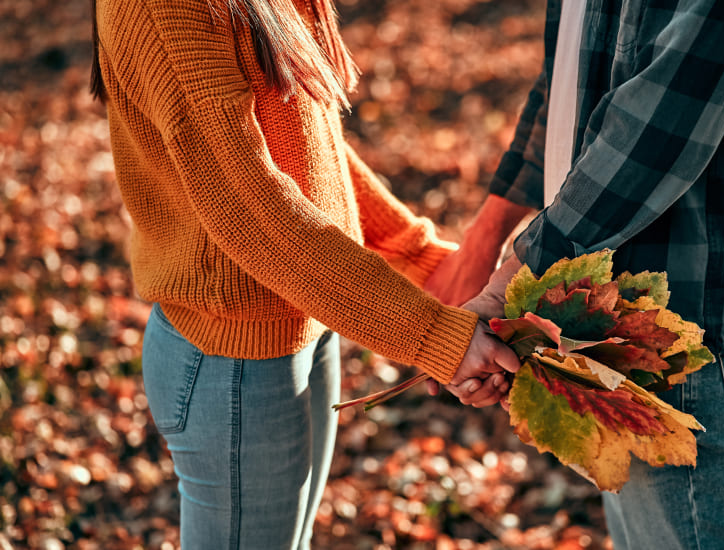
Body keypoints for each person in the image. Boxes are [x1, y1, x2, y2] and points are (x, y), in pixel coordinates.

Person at [89, 0, 519, 548]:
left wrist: (420, 259)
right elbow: (253, 207)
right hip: (232, 361)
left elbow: (303, 145)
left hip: (305, 325)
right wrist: (434, 336)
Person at [426, 1, 724, 549]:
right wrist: (489, 235)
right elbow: (572, 75)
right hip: (595, 322)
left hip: (687, 341)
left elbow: (668, 112)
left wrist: (506, 283)